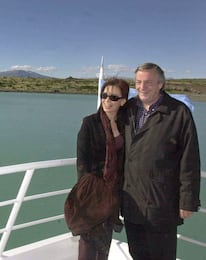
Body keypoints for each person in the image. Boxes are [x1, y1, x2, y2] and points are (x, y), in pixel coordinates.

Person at [122, 62, 201, 260]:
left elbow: (189, 159)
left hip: (162, 203)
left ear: (160, 84)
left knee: (162, 255)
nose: (141, 87)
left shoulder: (178, 112)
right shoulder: (128, 109)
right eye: (138, 82)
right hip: (132, 201)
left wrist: (188, 200)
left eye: (148, 82)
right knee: (137, 253)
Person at [75, 78, 130, 260]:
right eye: (104, 96)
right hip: (93, 193)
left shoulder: (126, 125)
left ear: (123, 101)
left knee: (105, 241)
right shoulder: (90, 123)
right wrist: (88, 193)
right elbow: (82, 162)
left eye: (113, 97)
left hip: (113, 193)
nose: (106, 100)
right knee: (88, 241)